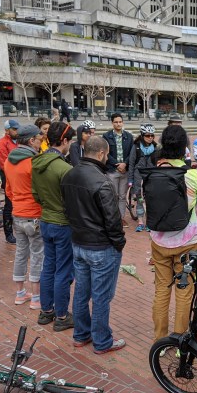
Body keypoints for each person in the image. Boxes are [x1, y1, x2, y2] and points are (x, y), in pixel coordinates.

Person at [61, 136, 126, 354]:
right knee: (100, 296)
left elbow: (67, 208)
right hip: (100, 246)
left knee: (81, 291)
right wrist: (119, 244)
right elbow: (112, 219)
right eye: (106, 154)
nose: (107, 157)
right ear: (101, 154)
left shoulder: (70, 174)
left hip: (79, 242)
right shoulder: (102, 180)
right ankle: (102, 341)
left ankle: (81, 334)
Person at [147, 125, 197, 342]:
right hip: (187, 241)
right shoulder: (193, 175)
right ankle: (181, 342)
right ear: (185, 147)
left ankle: (159, 341)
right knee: (184, 290)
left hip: (159, 241)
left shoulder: (153, 172)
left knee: (161, 290)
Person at [32, 121, 76, 332]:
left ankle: (46, 311)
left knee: (48, 267)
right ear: (65, 140)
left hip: (46, 220)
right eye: (71, 141)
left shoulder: (37, 162)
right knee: (63, 270)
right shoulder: (64, 168)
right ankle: (61, 315)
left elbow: (36, 195)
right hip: (62, 223)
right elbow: (71, 201)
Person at [4, 124, 44, 311]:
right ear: (31, 140)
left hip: (17, 213)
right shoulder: (33, 162)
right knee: (37, 255)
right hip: (33, 213)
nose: (41, 143)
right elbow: (40, 191)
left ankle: (20, 294)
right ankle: (36, 297)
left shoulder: (8, 161)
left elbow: (9, 191)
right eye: (39, 139)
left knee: (21, 253)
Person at [102, 113, 134, 226]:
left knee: (122, 196)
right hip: (112, 170)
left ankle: (121, 218)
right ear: (112, 123)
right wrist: (117, 164)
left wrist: (125, 164)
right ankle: (112, 218)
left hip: (125, 170)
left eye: (120, 121)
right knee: (113, 195)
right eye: (116, 122)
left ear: (122, 122)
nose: (118, 124)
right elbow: (106, 153)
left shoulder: (129, 136)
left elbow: (131, 153)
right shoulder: (106, 136)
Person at [128, 123, 159, 232]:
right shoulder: (135, 147)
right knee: (140, 200)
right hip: (138, 177)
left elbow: (157, 164)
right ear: (142, 135)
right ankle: (141, 222)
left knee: (150, 200)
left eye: (152, 135)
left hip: (151, 178)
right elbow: (131, 164)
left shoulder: (155, 147)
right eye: (147, 136)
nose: (150, 138)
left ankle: (149, 223)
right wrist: (130, 180)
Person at [0, 119, 20, 244]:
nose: (17, 131)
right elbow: (4, 164)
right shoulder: (1, 144)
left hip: (19, 176)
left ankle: (18, 230)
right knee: (9, 206)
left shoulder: (18, 141)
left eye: (17, 129)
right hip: (8, 177)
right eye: (14, 129)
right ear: (7, 130)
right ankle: (8, 233)